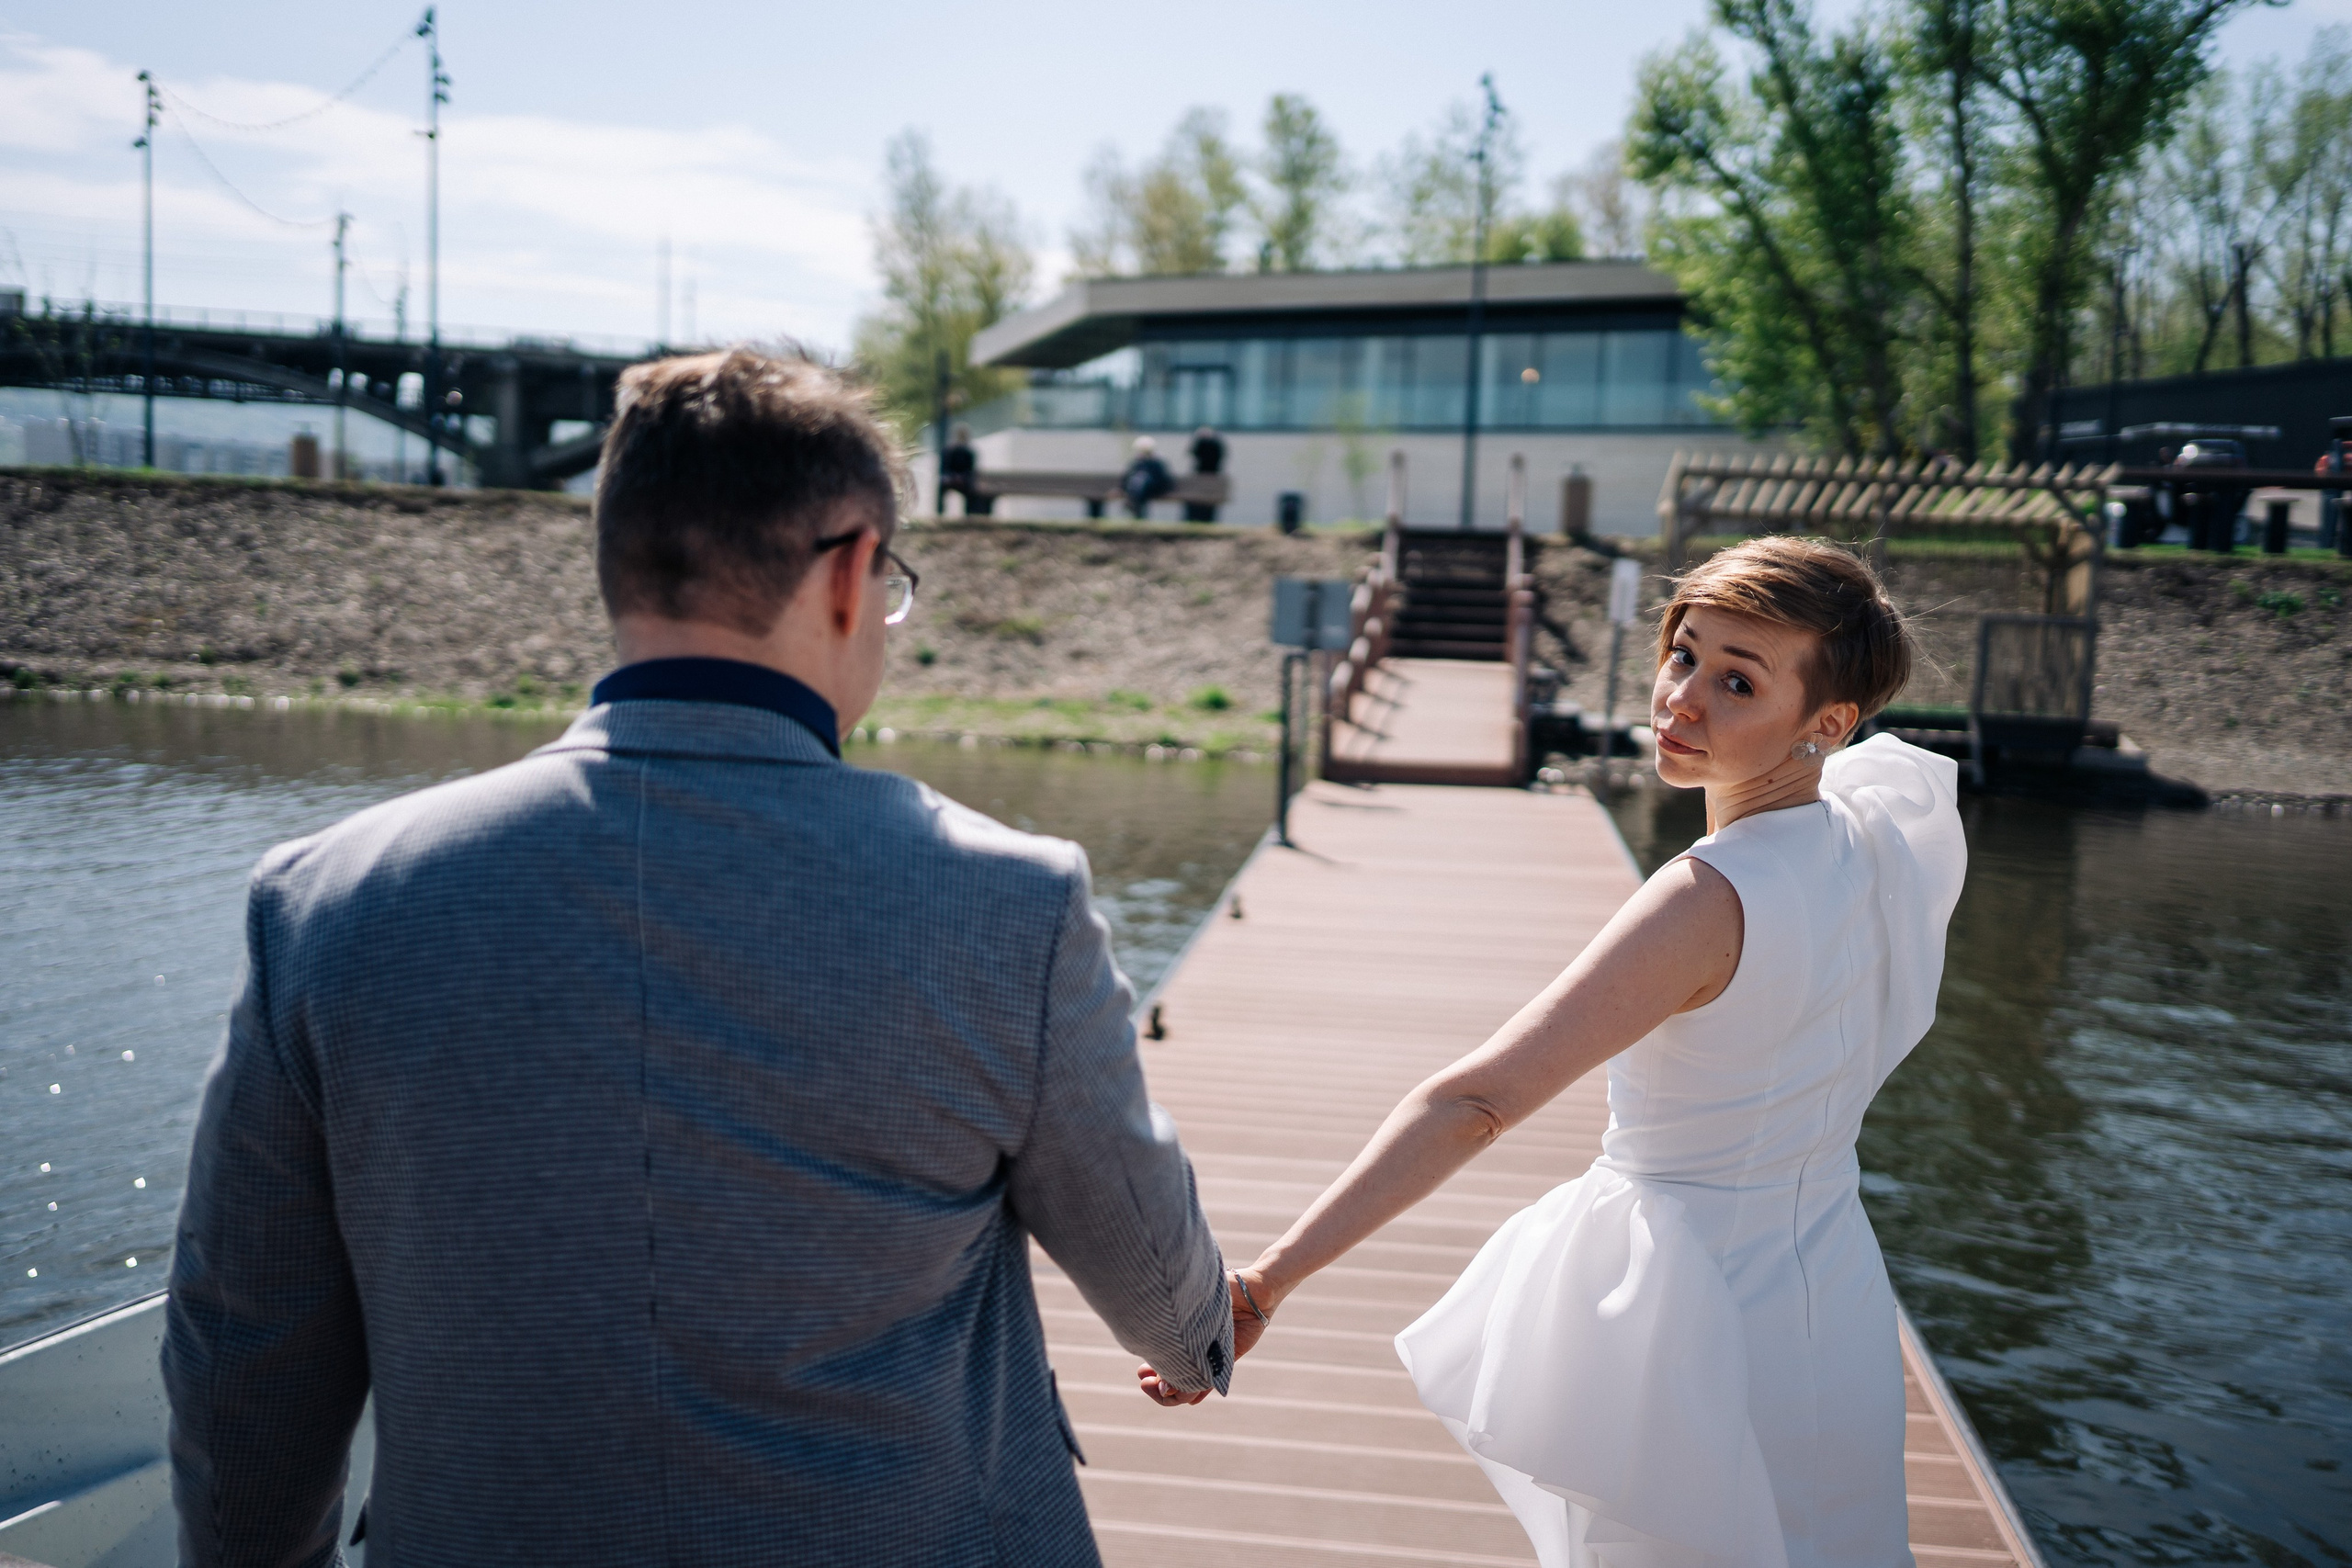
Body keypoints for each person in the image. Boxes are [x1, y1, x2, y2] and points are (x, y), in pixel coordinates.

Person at [164, 348, 1236, 1567]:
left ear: (618, 563)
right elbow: (1160, 1290)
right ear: (845, 575)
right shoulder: (1005, 902)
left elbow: (244, 1350)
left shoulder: (329, 901)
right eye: (891, 584)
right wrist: (1208, 1325)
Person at [1147, 536, 1965, 1568]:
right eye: (1683, 653)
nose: (1681, 699)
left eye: (1737, 681)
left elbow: (1476, 1103)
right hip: (1828, 1285)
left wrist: (1264, 1283)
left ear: (1827, 723)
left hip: (1690, 1310)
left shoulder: (1705, 898)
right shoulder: (1875, 833)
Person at [941, 422, 991, 516]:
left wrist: (961, 477)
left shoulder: (968, 452)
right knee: (942, 486)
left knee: (972, 490)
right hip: (952, 479)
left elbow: (971, 470)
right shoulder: (950, 451)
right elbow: (945, 469)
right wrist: (953, 477)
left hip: (964, 481)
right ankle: (941, 511)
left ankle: (969, 514)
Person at [1120, 434, 1172, 519]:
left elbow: (1163, 480)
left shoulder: (1157, 463)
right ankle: (1134, 505)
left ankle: (1131, 503)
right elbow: (1126, 477)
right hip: (1140, 491)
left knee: (1140, 479)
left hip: (1152, 489)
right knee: (1138, 479)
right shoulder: (1137, 463)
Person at [1183, 426, 1225, 523]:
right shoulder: (1216, 445)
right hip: (1208, 477)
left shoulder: (1208, 445)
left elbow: (1192, 452)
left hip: (1205, 477)